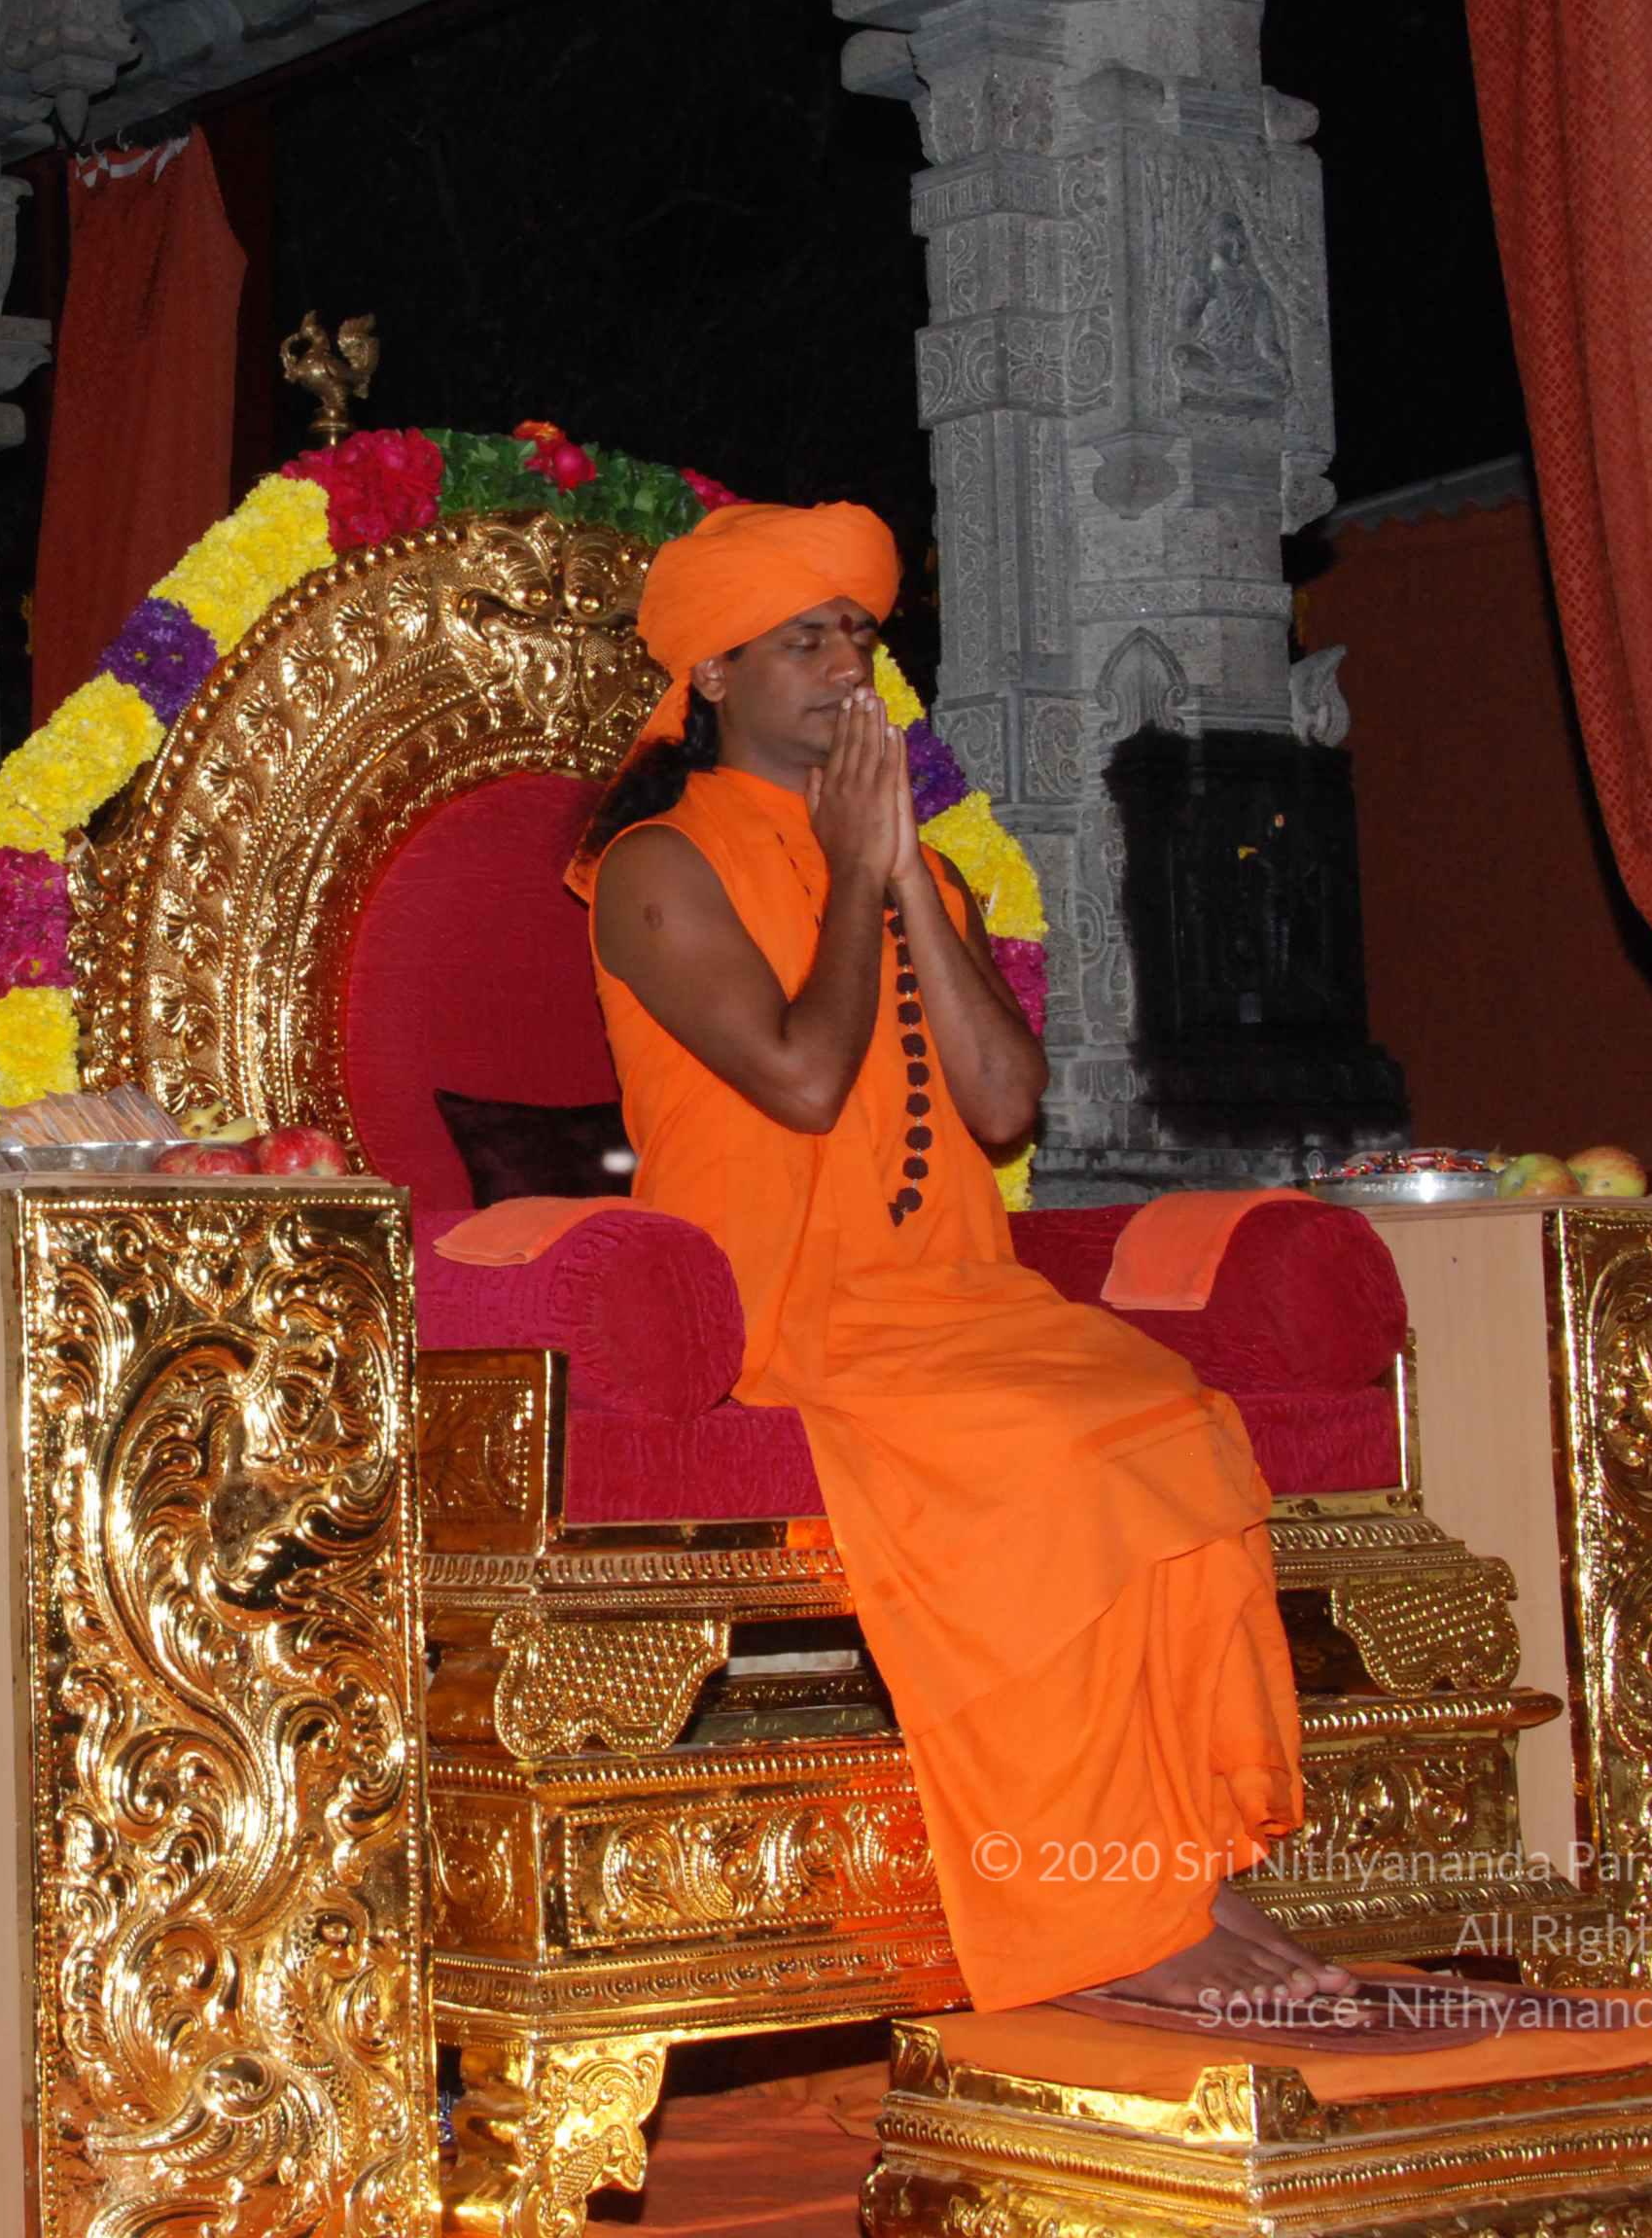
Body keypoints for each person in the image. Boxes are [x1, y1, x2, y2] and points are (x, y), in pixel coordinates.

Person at [576, 499, 1357, 2017]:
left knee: (1176, 1422)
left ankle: (1184, 1865)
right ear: (713, 675)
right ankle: (1103, 1913)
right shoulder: (654, 868)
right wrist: (854, 876)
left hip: (955, 1296)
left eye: (858, 636)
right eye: (803, 640)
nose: (844, 666)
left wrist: (903, 882)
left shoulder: (919, 871)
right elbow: (804, 1079)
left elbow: (1003, 1104)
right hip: (785, 1310)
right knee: (1052, 1456)